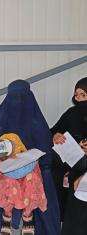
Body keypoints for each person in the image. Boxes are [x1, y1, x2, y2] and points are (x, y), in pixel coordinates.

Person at [0, 80, 60, 235]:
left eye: (22, 98)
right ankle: (8, 216)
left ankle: (28, 216)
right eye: (14, 98)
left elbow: (46, 149)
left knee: (35, 180)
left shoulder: (36, 121)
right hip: (5, 173)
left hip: (33, 173)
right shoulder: (1, 120)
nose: (18, 103)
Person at [51, 77, 87, 235]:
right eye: (76, 95)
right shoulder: (71, 113)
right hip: (71, 161)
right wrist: (56, 136)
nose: (78, 99)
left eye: (83, 95)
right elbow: (53, 130)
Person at [0, 133, 47, 234]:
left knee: (32, 178)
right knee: (9, 181)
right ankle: (7, 216)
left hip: (25, 170)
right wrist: (3, 160)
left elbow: (27, 156)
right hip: (7, 172)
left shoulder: (17, 142)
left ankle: (27, 216)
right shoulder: (3, 141)